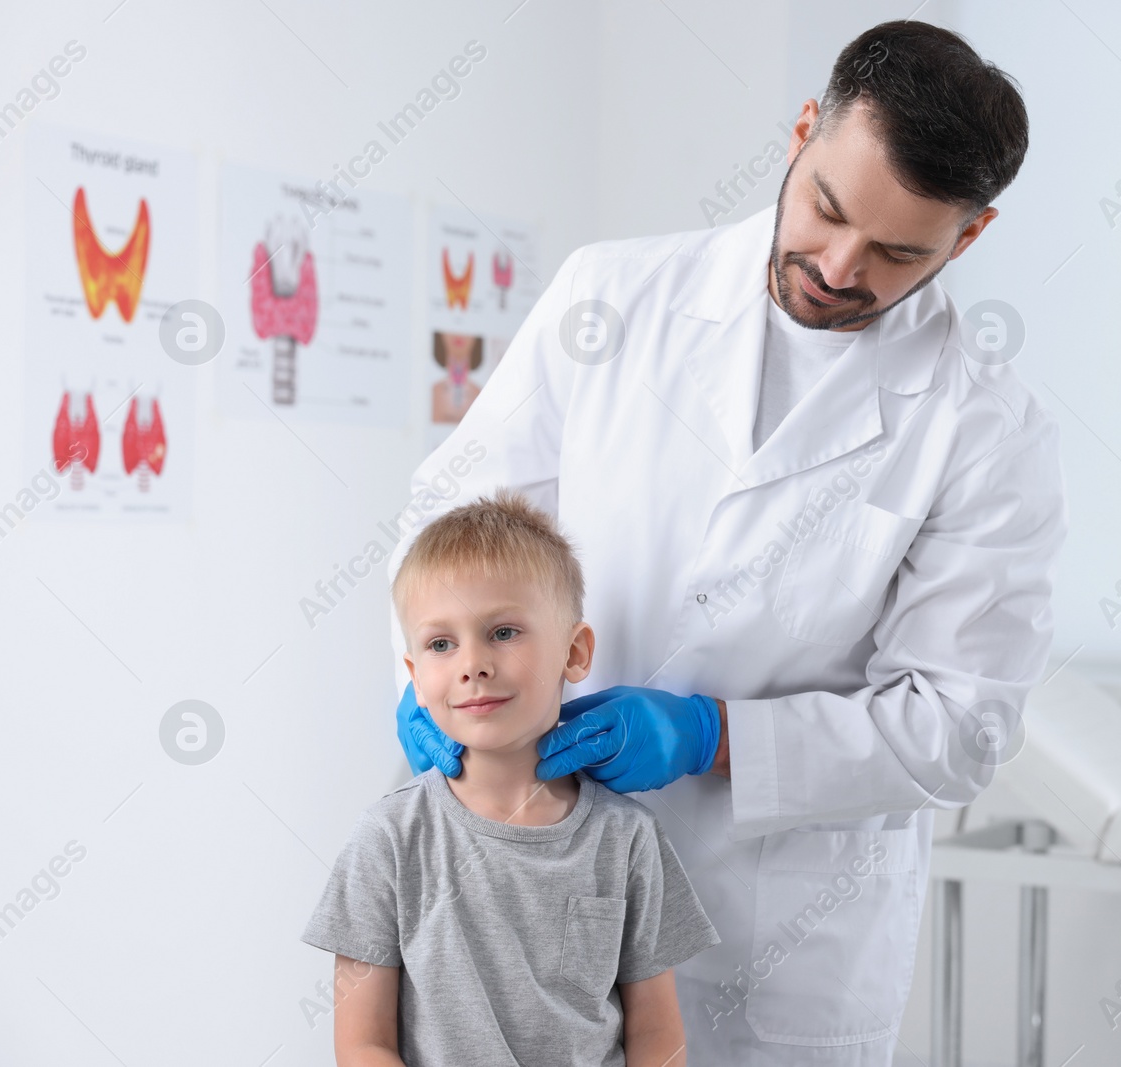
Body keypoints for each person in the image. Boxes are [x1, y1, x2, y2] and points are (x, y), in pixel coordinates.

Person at [392, 19, 1066, 1064]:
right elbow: (454, 521)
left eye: (897, 252)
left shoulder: (982, 427)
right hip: (540, 894)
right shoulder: (607, 297)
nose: (840, 267)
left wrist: (715, 738)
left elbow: (960, 725)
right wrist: (426, 673)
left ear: (966, 239)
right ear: (802, 133)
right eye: (827, 209)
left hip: (780, 951)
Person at [304, 490, 720, 1066]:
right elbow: (361, 1044)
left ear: (574, 652)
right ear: (415, 680)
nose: (472, 663)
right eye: (441, 644)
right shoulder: (389, 840)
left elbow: (657, 1035)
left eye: (503, 631)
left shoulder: (628, 841)